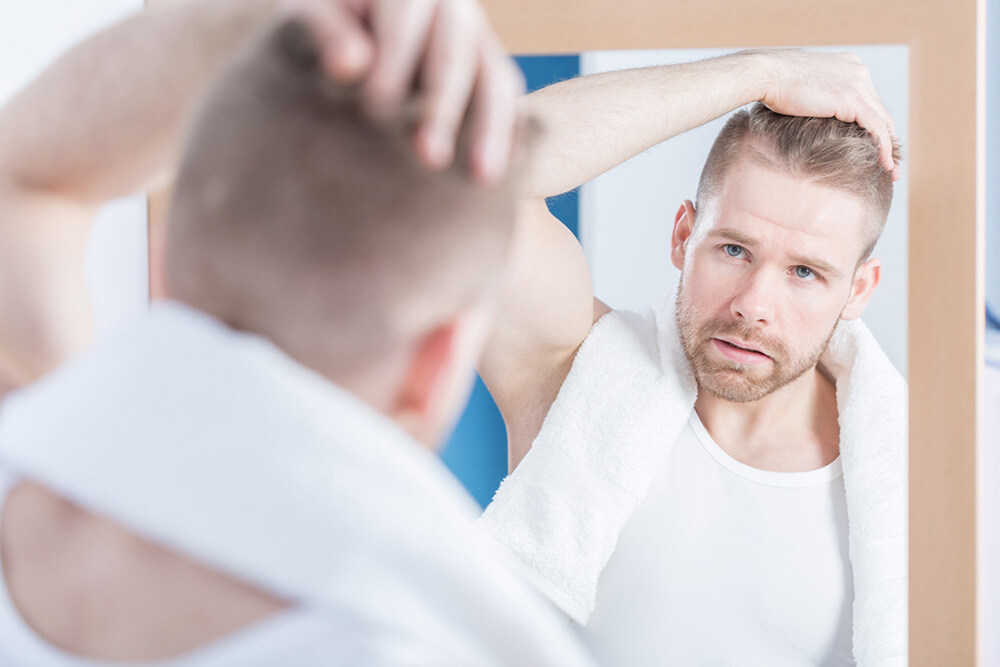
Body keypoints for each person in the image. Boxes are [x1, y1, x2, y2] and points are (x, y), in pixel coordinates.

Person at [0, 1, 596, 664]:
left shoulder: (28, 443)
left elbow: (25, 175)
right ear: (439, 361)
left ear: (162, 266)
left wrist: (276, 15)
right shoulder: (446, 642)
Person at [476, 59, 906, 664]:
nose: (754, 306)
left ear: (858, 290)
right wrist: (765, 72)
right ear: (683, 235)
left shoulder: (918, 484)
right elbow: (480, 166)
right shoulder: (573, 380)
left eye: (804, 272)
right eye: (734, 249)